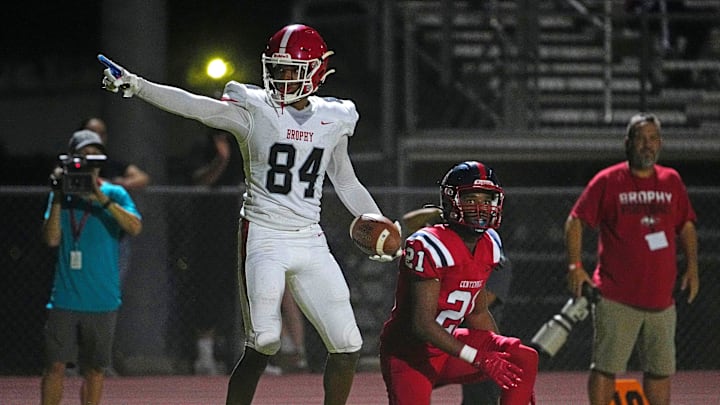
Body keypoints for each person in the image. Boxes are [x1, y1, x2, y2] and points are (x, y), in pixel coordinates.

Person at [99, 23, 399, 405]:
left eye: (291, 70)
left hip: (309, 236)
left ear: (316, 70)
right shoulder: (255, 109)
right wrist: (139, 86)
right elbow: (196, 107)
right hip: (264, 234)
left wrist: (376, 220)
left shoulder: (334, 117)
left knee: (348, 344)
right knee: (265, 342)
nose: (281, 78)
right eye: (276, 68)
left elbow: (344, 179)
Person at [565, 112, 699, 405]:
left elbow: (686, 224)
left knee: (660, 371)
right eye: (640, 138)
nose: (647, 145)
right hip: (616, 296)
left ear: (660, 143)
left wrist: (693, 267)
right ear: (628, 143)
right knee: (605, 367)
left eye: (652, 139)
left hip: (661, 299)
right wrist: (576, 267)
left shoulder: (671, 180)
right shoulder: (609, 180)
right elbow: (575, 220)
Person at [380, 161, 538, 405]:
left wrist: (509, 371)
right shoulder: (427, 244)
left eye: (487, 200)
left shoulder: (490, 244)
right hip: (410, 354)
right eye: (471, 199)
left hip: (449, 346)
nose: (481, 207)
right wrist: (479, 358)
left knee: (522, 359)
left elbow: (478, 312)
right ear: (452, 200)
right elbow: (422, 325)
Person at [40, 129, 142, 405]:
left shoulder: (114, 193)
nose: (89, 161)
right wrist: (58, 196)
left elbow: (134, 226)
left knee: (95, 369)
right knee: (55, 366)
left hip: (103, 299)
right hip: (64, 296)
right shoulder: (63, 195)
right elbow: (51, 238)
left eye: (94, 156)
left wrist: (100, 197)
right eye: (82, 156)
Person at [402, 205, 515, 405]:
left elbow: (479, 306)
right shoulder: (441, 247)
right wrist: (439, 212)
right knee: (410, 383)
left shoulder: (492, 256)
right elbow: (407, 222)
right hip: (439, 336)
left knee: (482, 396)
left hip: (472, 334)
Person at [80, 117, 151, 191]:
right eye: (92, 133)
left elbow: (142, 178)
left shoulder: (110, 163)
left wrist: (119, 184)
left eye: (101, 134)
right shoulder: (73, 160)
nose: (97, 137)